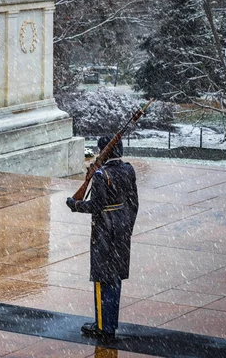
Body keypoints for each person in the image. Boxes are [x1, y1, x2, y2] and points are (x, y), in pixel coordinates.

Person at [66, 136, 139, 340]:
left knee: (101, 279)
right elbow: (134, 203)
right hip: (122, 228)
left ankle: (102, 325)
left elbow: (96, 206)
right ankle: (110, 323)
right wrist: (127, 227)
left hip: (104, 230)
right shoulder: (128, 170)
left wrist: (75, 205)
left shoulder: (101, 175)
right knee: (114, 278)